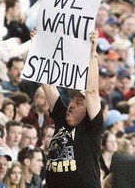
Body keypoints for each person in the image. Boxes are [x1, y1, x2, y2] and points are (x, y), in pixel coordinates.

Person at [41, 31, 103, 187]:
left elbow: (93, 91)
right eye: (72, 100)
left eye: (79, 103)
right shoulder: (62, 118)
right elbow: (47, 85)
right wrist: (39, 44)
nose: (72, 105)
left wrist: (92, 54)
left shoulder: (92, 128)